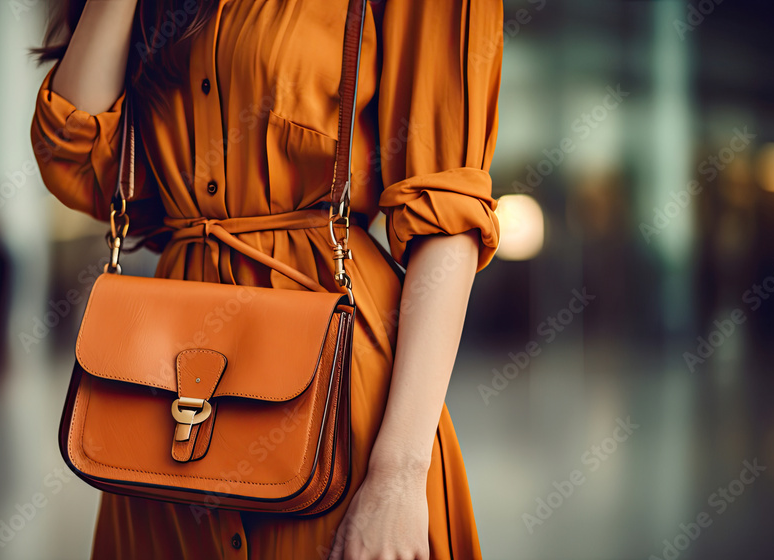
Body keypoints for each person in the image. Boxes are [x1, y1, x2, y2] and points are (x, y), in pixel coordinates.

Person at [31, 0, 502, 558]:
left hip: (337, 395)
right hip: (161, 408)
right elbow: (74, 156)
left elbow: (447, 213)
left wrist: (398, 474)